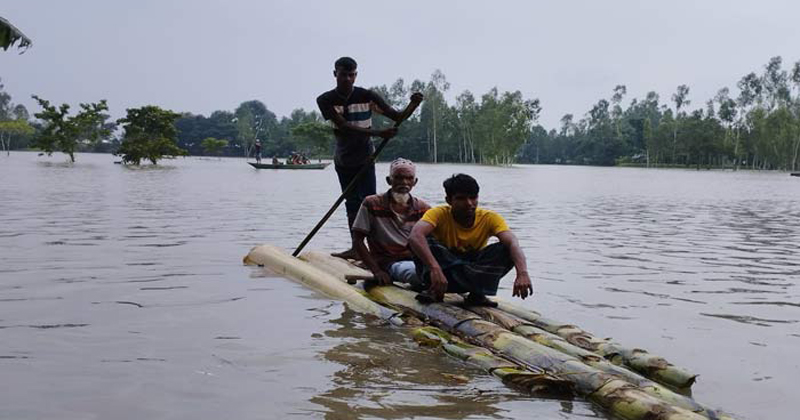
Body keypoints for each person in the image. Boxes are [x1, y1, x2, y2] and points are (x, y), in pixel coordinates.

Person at [317, 56, 423, 260]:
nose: (347, 79)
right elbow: (344, 127)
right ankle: (357, 248)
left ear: (356, 75)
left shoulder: (367, 96)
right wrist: (378, 133)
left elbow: (396, 116)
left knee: (370, 203)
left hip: (366, 157)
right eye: (343, 75)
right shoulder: (325, 100)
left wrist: (413, 105)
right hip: (344, 158)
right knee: (351, 203)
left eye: (351, 75)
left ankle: (375, 251)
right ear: (335, 74)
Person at [408, 174, 534, 307]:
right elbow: (415, 235)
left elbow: (512, 241)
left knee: (506, 249)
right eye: (461, 199)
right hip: (444, 273)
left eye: (473, 198)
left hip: (471, 270)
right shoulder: (438, 213)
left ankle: (477, 294)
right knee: (423, 241)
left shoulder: (489, 218)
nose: (469, 203)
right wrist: (435, 268)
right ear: (449, 200)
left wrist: (522, 273)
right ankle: (435, 289)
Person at [352, 158, 431, 288]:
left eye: (409, 178)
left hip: (416, 260)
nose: (404, 183)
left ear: (415, 182)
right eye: (398, 178)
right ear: (389, 180)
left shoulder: (423, 208)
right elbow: (358, 240)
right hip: (388, 262)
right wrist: (376, 271)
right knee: (417, 274)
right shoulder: (372, 203)